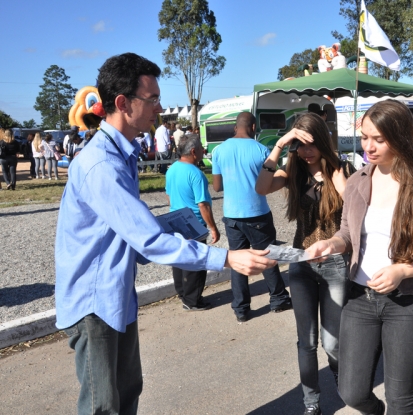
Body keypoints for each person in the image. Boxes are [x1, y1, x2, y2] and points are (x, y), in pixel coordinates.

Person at [55, 52, 277, 415]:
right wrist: (225, 257)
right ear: (123, 103)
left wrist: (164, 228)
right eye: (153, 99)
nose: (159, 107)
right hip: (94, 302)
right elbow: (149, 242)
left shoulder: (121, 156)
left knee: (128, 392)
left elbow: (132, 234)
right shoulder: (101, 164)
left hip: (115, 295)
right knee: (102, 406)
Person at [306, 100, 413, 415]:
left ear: (400, 136)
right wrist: (331, 244)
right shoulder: (358, 181)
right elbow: (347, 233)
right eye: (364, 138)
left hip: (409, 304)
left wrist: (403, 271)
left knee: (400, 398)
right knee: (351, 391)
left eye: (379, 139)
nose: (369, 146)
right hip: (359, 299)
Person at [256, 113, 353, 415]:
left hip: (336, 262)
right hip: (301, 263)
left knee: (333, 342)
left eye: (310, 144)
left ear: (323, 141)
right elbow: (261, 187)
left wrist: (338, 175)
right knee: (307, 341)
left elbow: (356, 208)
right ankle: (311, 401)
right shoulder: (293, 172)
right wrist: (280, 143)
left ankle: (341, 378)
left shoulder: (343, 168)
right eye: (299, 144)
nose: (306, 151)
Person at [212, 112, 292, 322]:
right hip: (257, 212)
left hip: (231, 215)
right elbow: (268, 182)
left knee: (238, 261)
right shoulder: (261, 150)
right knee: (267, 256)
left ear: (234, 128)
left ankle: (241, 309)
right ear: (254, 128)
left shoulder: (219, 150)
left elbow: (217, 186)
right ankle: (278, 299)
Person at [166, 134, 221, 310]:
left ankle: (183, 293)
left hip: (175, 220)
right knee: (196, 263)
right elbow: (203, 204)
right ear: (193, 151)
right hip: (194, 223)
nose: (203, 150)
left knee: (180, 260)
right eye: (200, 148)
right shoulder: (196, 174)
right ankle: (193, 300)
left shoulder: (172, 169)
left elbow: (169, 195)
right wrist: (213, 227)